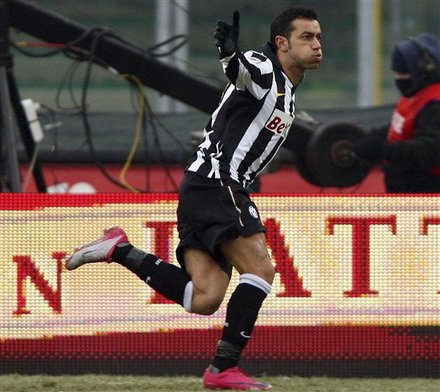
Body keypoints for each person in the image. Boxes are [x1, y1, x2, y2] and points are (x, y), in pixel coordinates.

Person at [66, 6, 322, 390]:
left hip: (202, 185)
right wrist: (229, 54)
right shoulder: (264, 65)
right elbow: (241, 71)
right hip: (219, 183)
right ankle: (223, 368)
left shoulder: (288, 90)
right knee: (261, 270)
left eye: (319, 37)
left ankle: (120, 250)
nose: (317, 45)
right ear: (282, 43)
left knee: (203, 298)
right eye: (307, 37)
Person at [353, 33, 440, 193]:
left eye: (403, 71)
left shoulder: (435, 104)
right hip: (406, 189)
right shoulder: (415, 94)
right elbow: (400, 127)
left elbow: (430, 151)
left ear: (425, 69)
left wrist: (383, 150)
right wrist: (369, 137)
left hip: (429, 194)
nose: (398, 77)